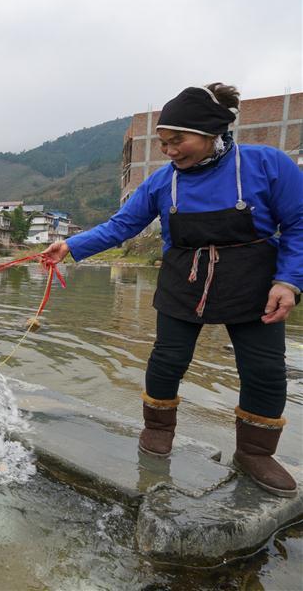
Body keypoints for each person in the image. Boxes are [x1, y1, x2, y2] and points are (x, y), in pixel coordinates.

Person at [42, 83, 302, 498]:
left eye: (177, 141)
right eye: (163, 143)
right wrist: (70, 246)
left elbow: (298, 224)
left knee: (265, 370)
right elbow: (122, 226)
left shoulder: (266, 164)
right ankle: (158, 429)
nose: (169, 151)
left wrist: (288, 281)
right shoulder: (163, 182)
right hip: (184, 276)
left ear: (211, 132)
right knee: (168, 358)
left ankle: (255, 453)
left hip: (255, 280)